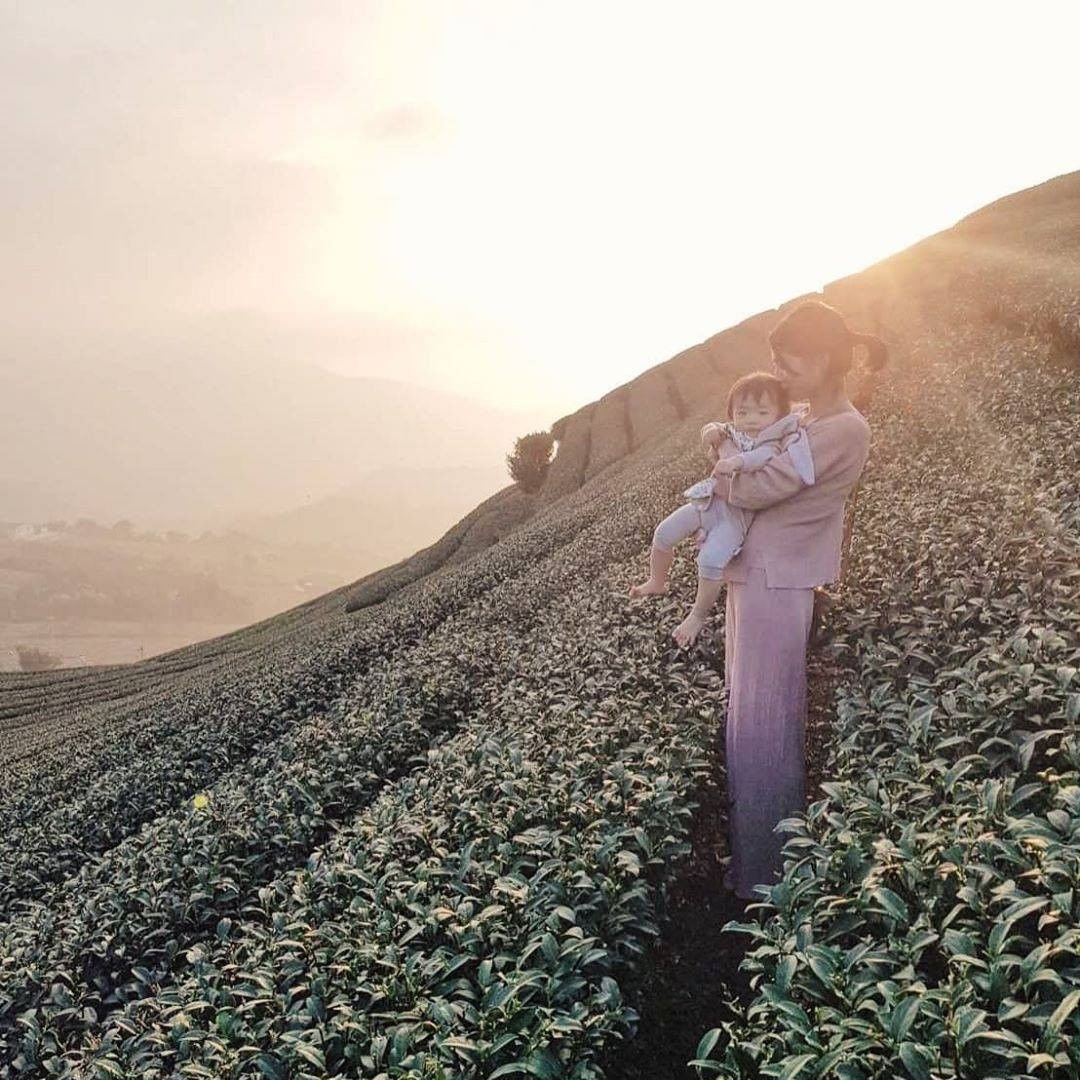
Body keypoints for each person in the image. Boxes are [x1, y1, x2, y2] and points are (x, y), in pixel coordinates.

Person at [712, 300, 887, 901]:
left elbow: (759, 487)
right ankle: (754, 858)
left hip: (775, 583)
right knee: (747, 718)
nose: (779, 371)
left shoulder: (843, 429)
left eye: (789, 359)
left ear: (825, 358)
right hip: (756, 577)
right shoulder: (811, 419)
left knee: (764, 727)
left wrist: (723, 461)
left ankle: (768, 876)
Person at [629, 373, 815, 648]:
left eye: (763, 412)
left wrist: (734, 461)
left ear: (778, 415)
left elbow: (762, 458)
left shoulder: (772, 441)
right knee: (663, 533)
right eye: (743, 411)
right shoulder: (731, 431)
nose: (752, 418)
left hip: (736, 518)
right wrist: (711, 433)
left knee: (710, 561)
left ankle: (697, 616)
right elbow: (713, 427)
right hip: (708, 501)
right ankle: (656, 580)